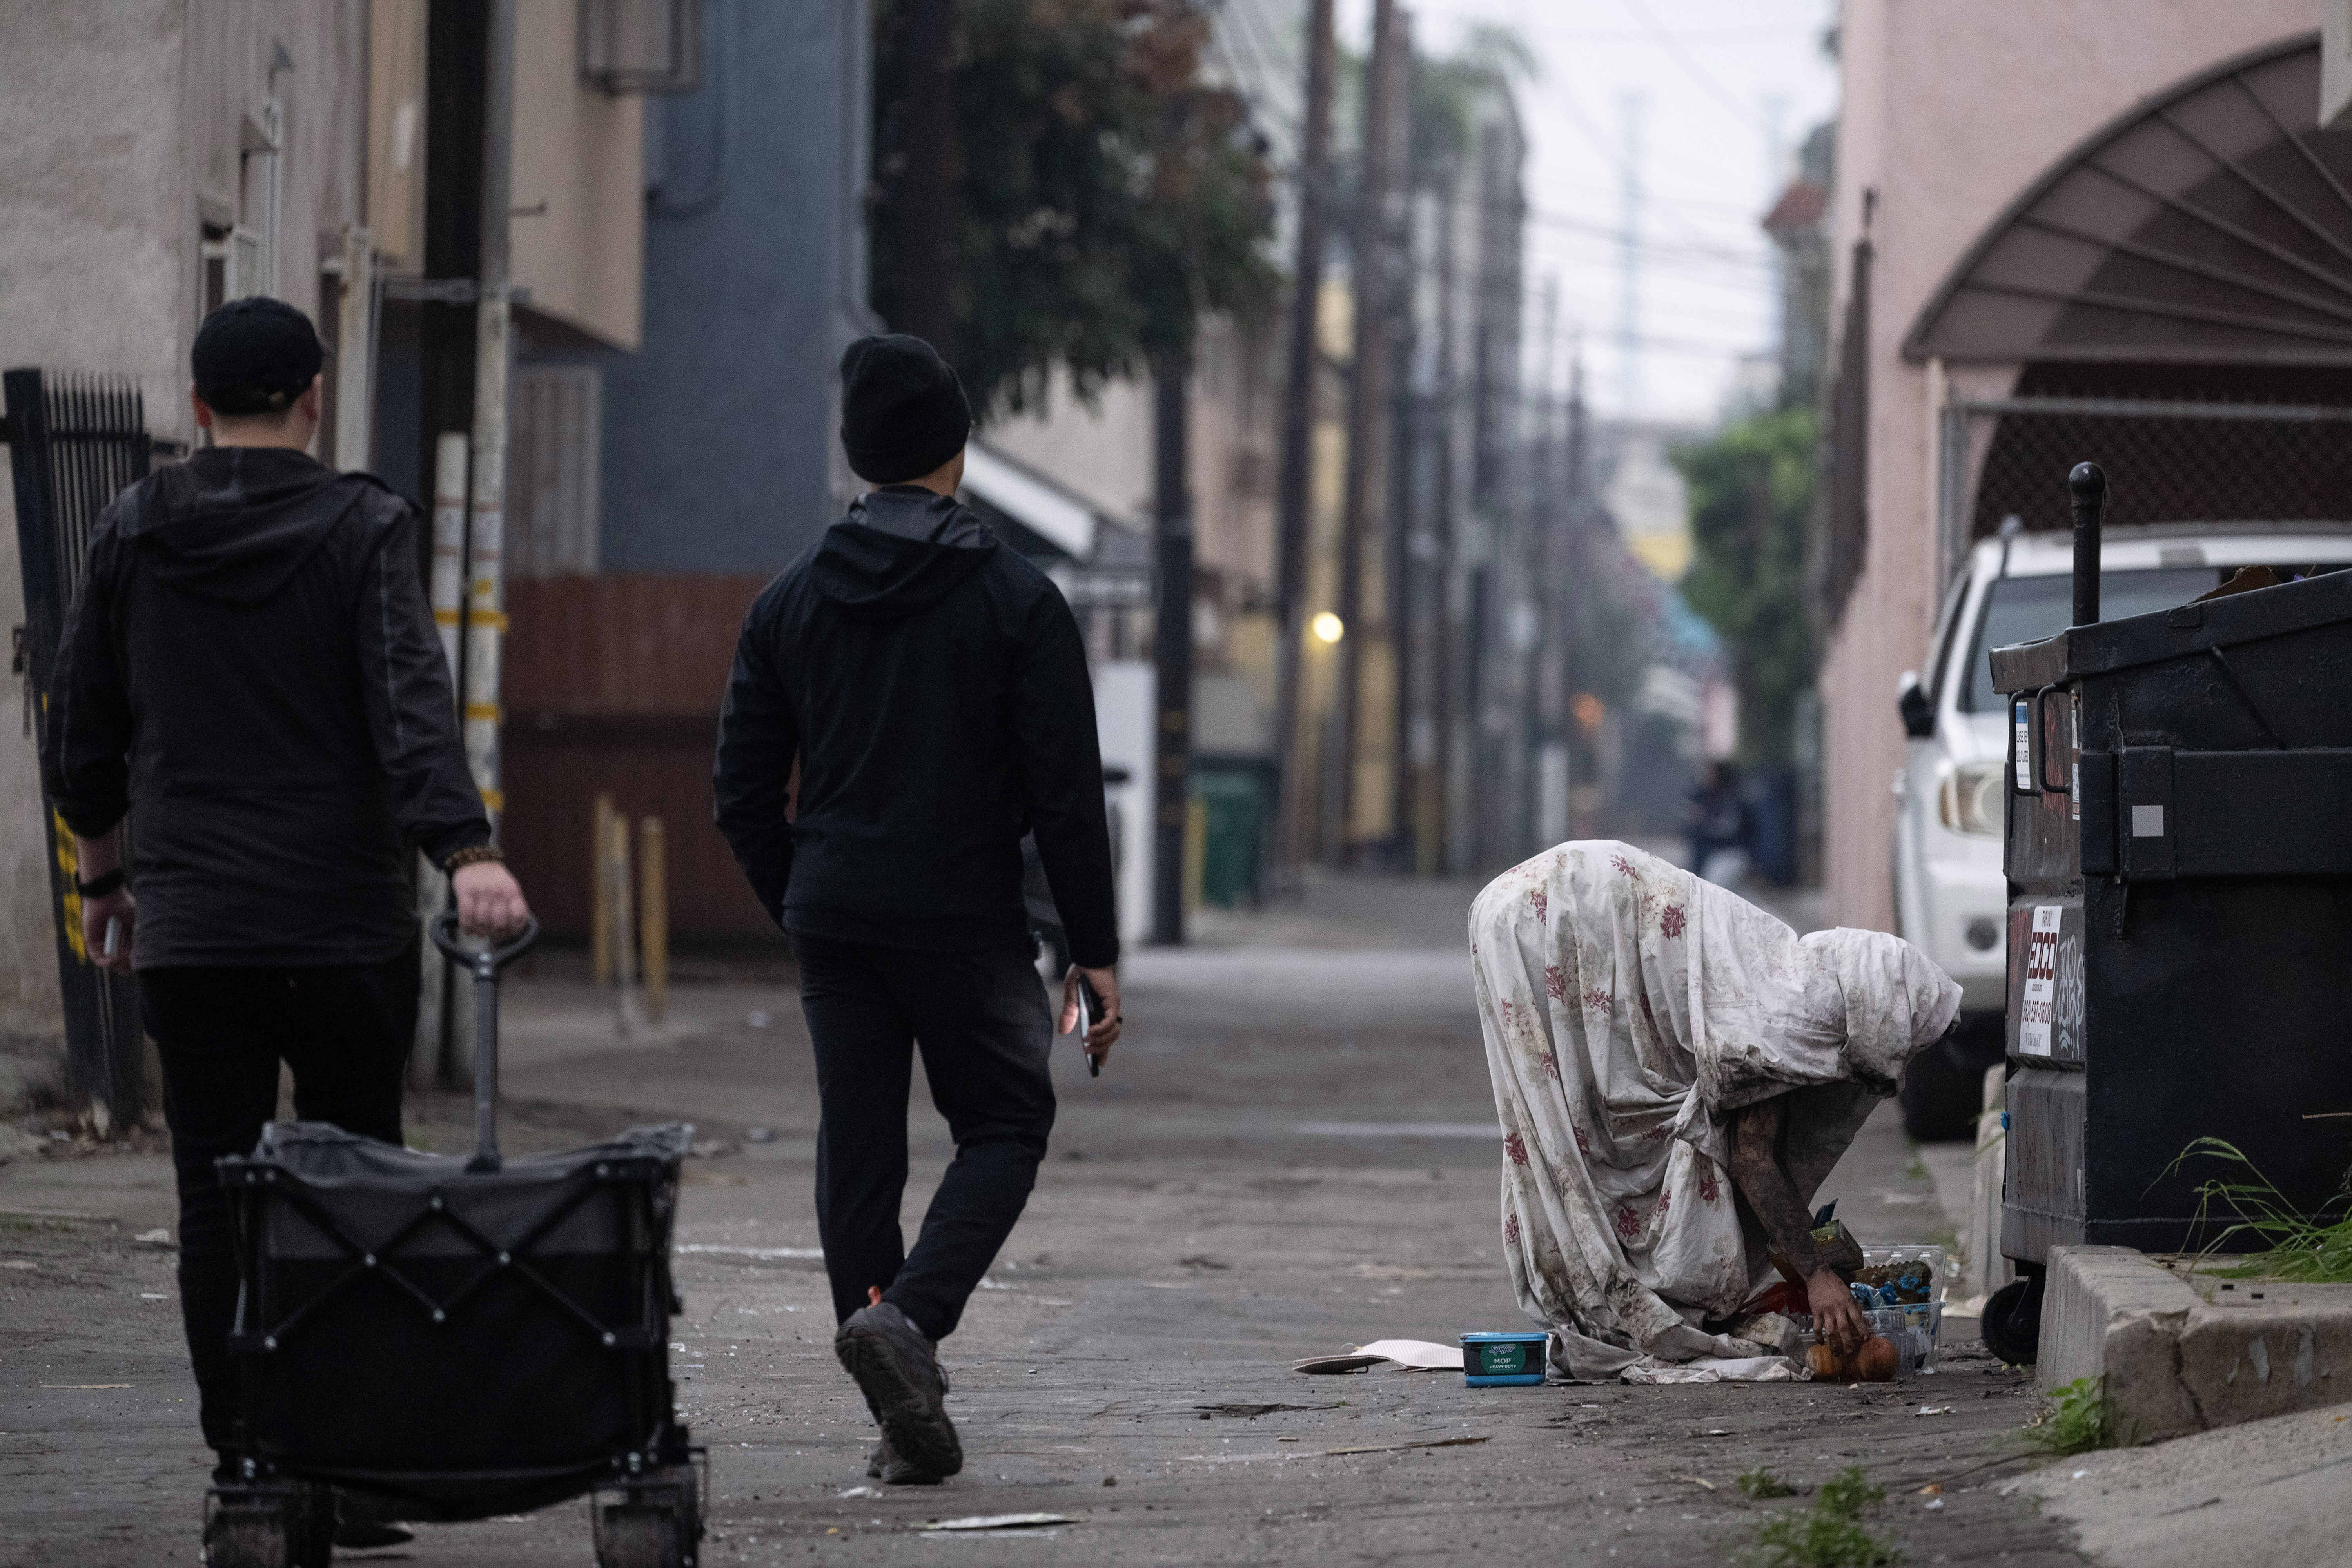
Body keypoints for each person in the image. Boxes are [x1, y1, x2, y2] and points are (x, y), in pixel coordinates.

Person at [40, 297, 530, 1538]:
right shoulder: (363, 528)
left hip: (196, 928)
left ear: (198, 407)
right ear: (314, 394)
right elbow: (408, 707)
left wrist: (104, 885)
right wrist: (464, 853)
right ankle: (351, 1475)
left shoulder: (134, 528)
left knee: (218, 1193)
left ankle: (249, 1465)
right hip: (344, 927)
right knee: (353, 1188)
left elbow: (82, 728)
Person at [714, 334, 1123, 1485]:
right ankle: (910, 1327)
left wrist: (799, 899)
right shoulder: (1015, 602)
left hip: (837, 916)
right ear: (961, 449)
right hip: (967, 919)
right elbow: (1067, 801)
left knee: (859, 1154)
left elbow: (740, 791)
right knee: (1004, 1125)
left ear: (856, 454)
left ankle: (897, 1409)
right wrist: (1094, 956)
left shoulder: (788, 604)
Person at [1470, 841, 1959, 1378]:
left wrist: (1810, 1253)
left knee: (1577, 1112)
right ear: (1878, 1019)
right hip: (1561, 918)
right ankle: (1605, 1298)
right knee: (1574, 1121)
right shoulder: (1787, 1024)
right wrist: (1816, 1276)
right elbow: (1752, 1156)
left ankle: (1605, 1294)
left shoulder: (1807, 977)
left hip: (1561, 902)